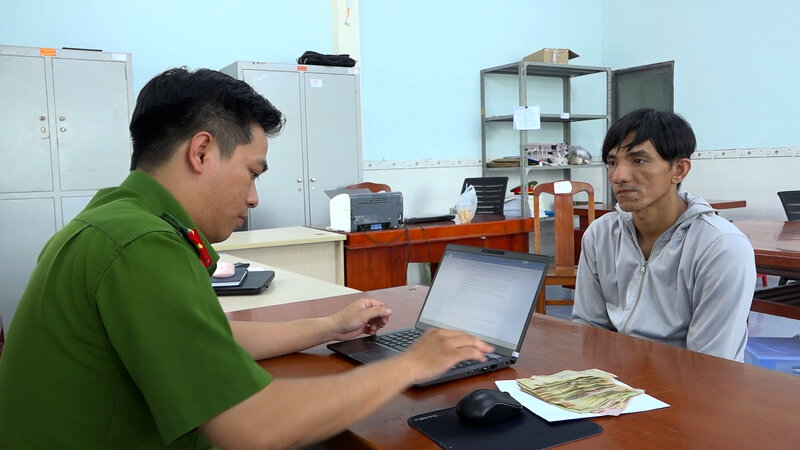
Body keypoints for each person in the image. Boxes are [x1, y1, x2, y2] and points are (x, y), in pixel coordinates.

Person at [0, 68, 493, 449]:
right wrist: (409, 365)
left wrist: (328, 327)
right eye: (252, 172)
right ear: (202, 152)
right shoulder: (139, 244)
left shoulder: (113, 218)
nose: (254, 197)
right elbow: (254, 427)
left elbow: (208, 337)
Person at [572, 108, 755, 362]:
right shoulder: (600, 234)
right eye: (612, 162)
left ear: (679, 170)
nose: (618, 176)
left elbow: (711, 364)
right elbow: (589, 330)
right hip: (613, 386)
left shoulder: (721, 248)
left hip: (694, 391)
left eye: (638, 160)